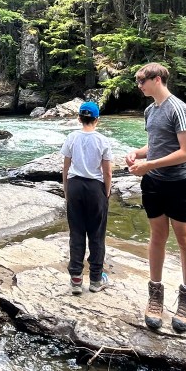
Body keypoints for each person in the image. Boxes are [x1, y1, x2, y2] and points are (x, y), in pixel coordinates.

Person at [124, 62, 186, 332]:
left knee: (184, 239)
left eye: (141, 81)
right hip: (153, 183)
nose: (139, 86)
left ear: (157, 79)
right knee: (157, 236)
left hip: (178, 183)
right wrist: (137, 153)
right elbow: (156, 144)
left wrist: (149, 165)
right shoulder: (150, 110)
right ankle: (155, 296)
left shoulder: (178, 108)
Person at [60, 101, 113, 294]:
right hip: (95, 188)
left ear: (79, 118)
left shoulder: (72, 137)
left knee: (77, 232)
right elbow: (107, 172)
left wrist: (66, 189)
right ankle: (96, 280)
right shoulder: (102, 140)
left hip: (75, 186)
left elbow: (66, 167)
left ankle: (76, 278)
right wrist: (106, 192)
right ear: (97, 119)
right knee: (97, 234)